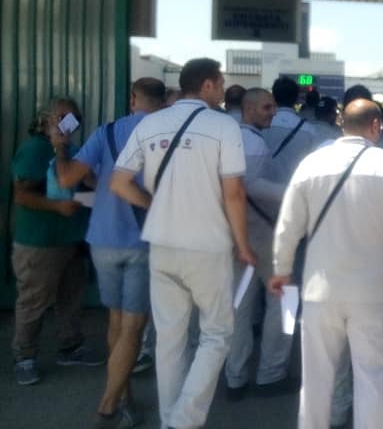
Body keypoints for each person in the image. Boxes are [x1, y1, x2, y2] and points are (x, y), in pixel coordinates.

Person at [111, 58, 255, 429]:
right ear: (207, 84)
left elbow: (119, 183)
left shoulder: (150, 123)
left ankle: (169, 420)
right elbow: (234, 193)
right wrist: (244, 244)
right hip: (208, 246)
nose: (222, 91)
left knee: (170, 340)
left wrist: (153, 204)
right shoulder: (224, 126)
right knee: (217, 334)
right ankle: (183, 419)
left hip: (161, 245)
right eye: (220, 83)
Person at [269, 99, 383, 429]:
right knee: (374, 376)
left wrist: (281, 269)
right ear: (376, 125)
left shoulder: (311, 164)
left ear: (341, 124)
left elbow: (289, 226)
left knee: (316, 379)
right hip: (373, 292)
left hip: (319, 290)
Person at [50, 77, 166, 427]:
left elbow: (69, 179)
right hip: (146, 241)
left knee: (116, 321)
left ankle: (124, 397)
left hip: (103, 239)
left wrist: (60, 146)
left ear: (132, 99)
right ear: (162, 102)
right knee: (134, 327)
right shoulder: (168, 134)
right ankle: (108, 404)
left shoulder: (107, 132)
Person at [11, 98, 100, 387]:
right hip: (40, 242)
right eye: (62, 116)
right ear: (47, 117)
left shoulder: (71, 149)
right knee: (33, 301)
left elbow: (80, 185)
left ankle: (70, 346)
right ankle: (25, 357)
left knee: (71, 297)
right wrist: (57, 207)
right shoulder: (35, 149)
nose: (67, 123)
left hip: (72, 238)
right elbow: (22, 194)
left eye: (73, 118)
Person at [225, 88, 294, 398]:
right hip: (263, 233)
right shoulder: (252, 142)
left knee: (238, 307)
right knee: (287, 298)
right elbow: (250, 186)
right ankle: (272, 372)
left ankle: (235, 376)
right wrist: (294, 194)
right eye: (267, 107)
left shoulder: (227, 138)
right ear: (249, 108)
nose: (273, 113)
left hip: (233, 234)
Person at [264, 76, 319, 184]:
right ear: (296, 99)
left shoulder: (262, 124)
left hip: (263, 188)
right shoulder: (309, 129)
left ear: (273, 98)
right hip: (294, 189)